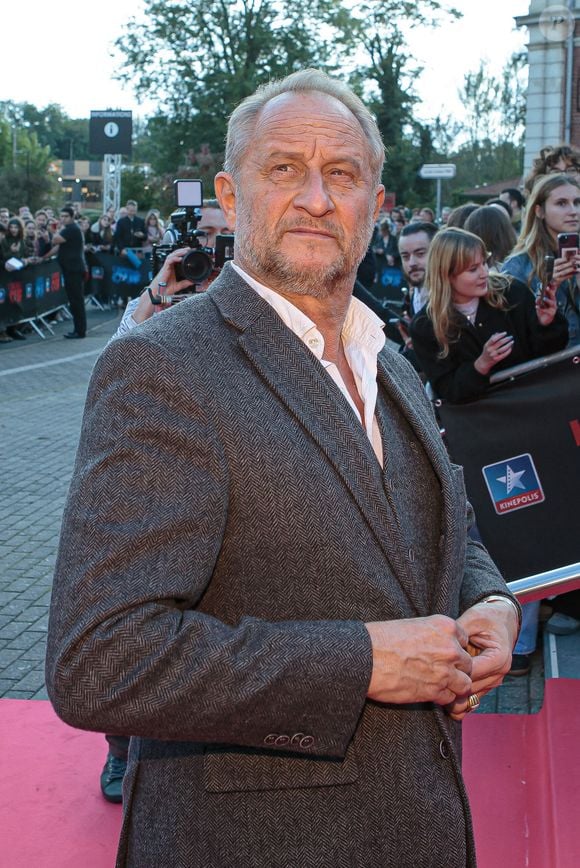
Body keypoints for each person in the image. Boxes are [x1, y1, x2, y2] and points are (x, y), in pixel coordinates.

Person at [46, 70, 519, 868]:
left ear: (377, 203)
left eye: (341, 174)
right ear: (231, 197)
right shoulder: (163, 367)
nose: (316, 198)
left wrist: (492, 601)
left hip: (420, 821)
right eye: (283, 169)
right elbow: (100, 658)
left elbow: (443, 523)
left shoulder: (390, 360)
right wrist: (364, 662)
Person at [410, 227, 568, 404]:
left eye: (484, 263)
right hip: (481, 421)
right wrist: (481, 365)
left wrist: (546, 324)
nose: (484, 273)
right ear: (446, 275)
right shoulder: (426, 325)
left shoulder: (511, 292)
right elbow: (447, 389)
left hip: (533, 403)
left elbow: (551, 354)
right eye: (473, 269)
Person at [502, 173, 580, 348]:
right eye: (561, 203)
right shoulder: (518, 266)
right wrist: (551, 287)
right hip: (551, 370)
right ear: (539, 211)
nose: (573, 211)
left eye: (577, 202)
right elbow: (515, 333)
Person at [43, 206, 87, 339]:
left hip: (73, 270)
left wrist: (52, 230)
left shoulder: (71, 229)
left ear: (72, 217)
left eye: (65, 216)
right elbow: (57, 247)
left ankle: (79, 331)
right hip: (70, 270)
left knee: (76, 300)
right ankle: (79, 329)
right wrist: (43, 257)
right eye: (61, 216)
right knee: (74, 300)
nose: (62, 219)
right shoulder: (68, 230)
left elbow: (55, 240)